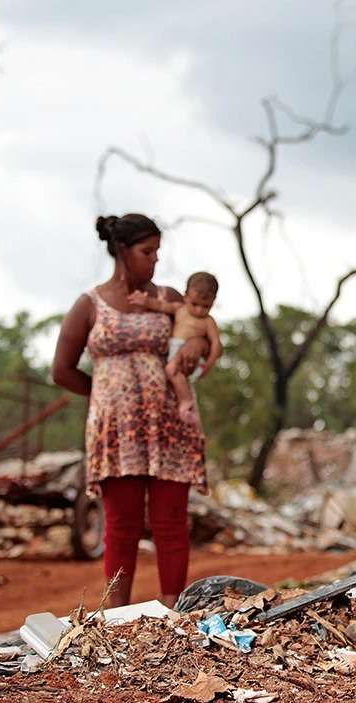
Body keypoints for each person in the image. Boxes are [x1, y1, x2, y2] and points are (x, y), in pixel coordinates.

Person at [52, 213, 207, 608]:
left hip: (169, 425)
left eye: (158, 251)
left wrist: (194, 347)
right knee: (121, 525)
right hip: (115, 431)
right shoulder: (89, 305)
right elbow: (62, 370)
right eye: (147, 251)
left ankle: (173, 612)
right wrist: (105, 396)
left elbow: (202, 332)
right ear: (122, 252)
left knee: (170, 522)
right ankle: (116, 617)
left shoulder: (170, 299)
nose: (155, 259)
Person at [128, 271, 222, 425]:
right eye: (194, 304)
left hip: (187, 355)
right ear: (186, 296)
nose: (199, 310)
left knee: (171, 370)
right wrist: (144, 301)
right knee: (173, 373)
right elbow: (160, 305)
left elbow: (216, 344)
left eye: (206, 306)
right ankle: (183, 402)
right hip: (174, 349)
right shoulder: (180, 309)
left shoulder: (208, 322)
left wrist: (208, 364)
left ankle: (186, 402)